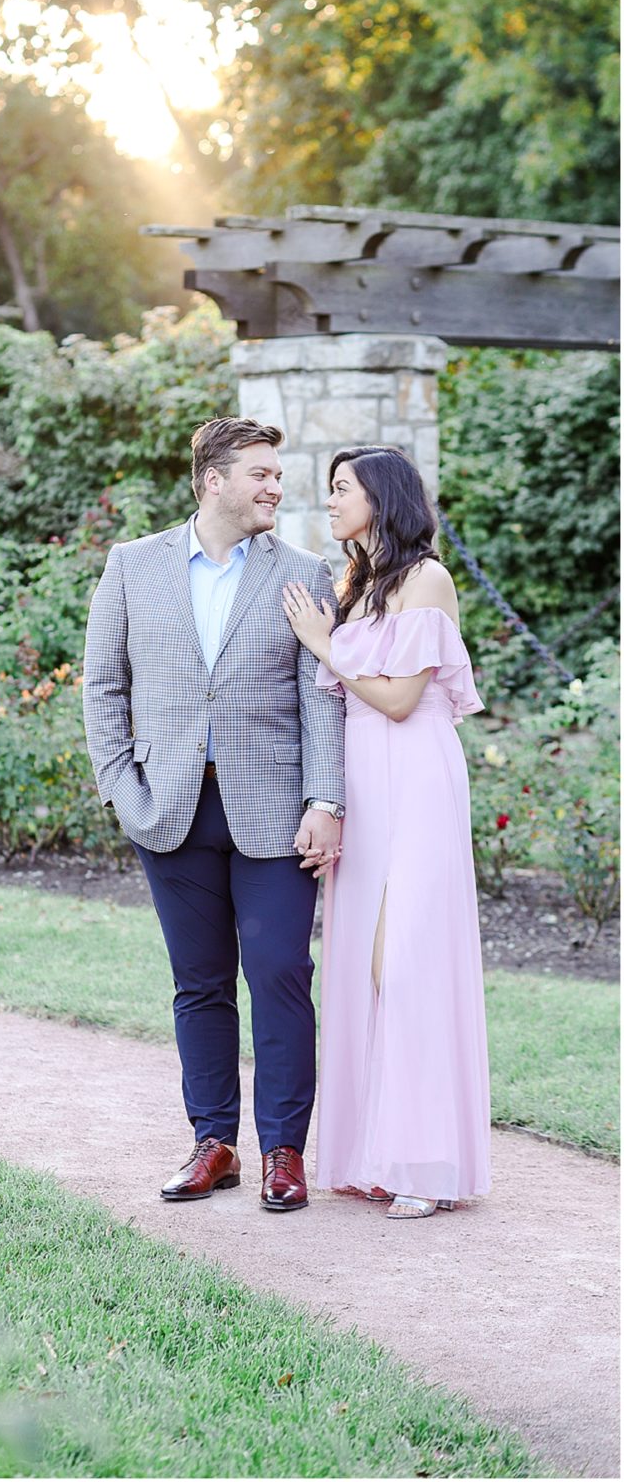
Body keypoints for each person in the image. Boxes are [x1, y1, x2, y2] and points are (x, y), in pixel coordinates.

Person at [82, 417, 345, 1213]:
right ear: (212, 482)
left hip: (275, 816)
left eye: (276, 474)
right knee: (197, 986)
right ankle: (214, 1145)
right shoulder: (131, 566)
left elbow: (321, 700)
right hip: (167, 811)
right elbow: (101, 687)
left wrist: (325, 801)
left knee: (279, 977)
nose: (274, 487)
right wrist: (120, 788)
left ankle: (285, 1153)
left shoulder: (304, 572)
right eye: (260, 473)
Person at [282, 445, 491, 1219]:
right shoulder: (358, 584)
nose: (330, 502)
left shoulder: (424, 578)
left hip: (417, 780)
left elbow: (401, 699)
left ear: (382, 496)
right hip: (364, 787)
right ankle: (376, 1152)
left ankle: (424, 1161)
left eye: (341, 489)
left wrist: (321, 643)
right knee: (360, 970)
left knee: (404, 963)